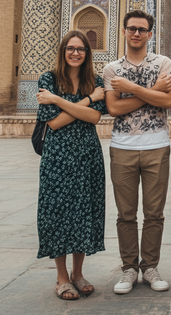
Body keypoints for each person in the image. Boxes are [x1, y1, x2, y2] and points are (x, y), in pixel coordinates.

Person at [103, 10, 171, 294]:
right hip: (123, 149)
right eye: (131, 29)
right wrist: (150, 91)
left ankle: (150, 267)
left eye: (142, 30)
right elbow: (113, 109)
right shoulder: (111, 69)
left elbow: (167, 101)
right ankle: (129, 268)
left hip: (157, 146)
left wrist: (130, 89)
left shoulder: (163, 62)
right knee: (126, 213)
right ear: (123, 31)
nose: (136, 33)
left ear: (150, 34)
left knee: (154, 213)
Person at [36, 30, 107, 300]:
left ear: (87, 53)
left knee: (83, 212)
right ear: (63, 50)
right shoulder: (48, 79)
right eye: (70, 48)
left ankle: (78, 273)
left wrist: (59, 101)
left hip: (87, 155)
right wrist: (88, 100)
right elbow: (54, 123)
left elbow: (94, 118)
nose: (75, 53)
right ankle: (62, 277)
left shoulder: (96, 80)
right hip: (58, 157)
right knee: (57, 213)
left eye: (81, 49)